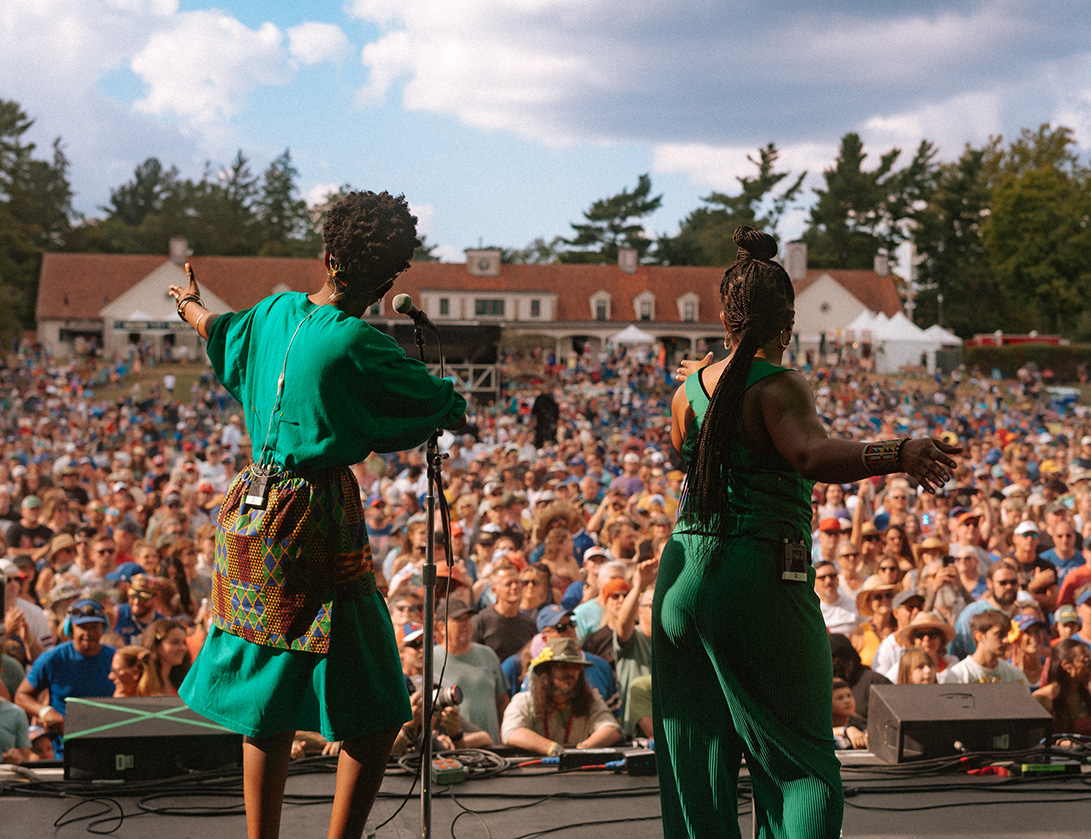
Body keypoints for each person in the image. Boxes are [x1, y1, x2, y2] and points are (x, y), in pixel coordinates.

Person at [170, 191, 466, 839]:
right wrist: (449, 399)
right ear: (388, 280)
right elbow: (436, 403)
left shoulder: (272, 314)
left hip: (248, 513)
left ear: (326, 256)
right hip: (315, 518)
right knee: (381, 702)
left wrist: (188, 301)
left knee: (267, 696)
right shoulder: (357, 342)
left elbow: (218, 331)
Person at [654, 226, 959, 839]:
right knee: (801, 765)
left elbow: (681, 453)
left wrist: (707, 373)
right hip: (757, 575)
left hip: (682, 574)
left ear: (722, 317)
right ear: (787, 323)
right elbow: (811, 455)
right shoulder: (780, 386)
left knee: (696, 761)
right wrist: (897, 451)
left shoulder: (688, 392)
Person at [15, 599, 115, 759]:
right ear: (70, 628)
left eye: (94, 627)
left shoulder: (116, 659)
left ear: (103, 628)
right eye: (82, 627)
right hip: (65, 749)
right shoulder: (52, 658)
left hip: (110, 743)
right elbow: (21, 695)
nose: (88, 633)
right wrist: (44, 711)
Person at [500, 637, 623, 755]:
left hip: (578, 772)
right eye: (563, 666)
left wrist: (583, 750)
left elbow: (611, 728)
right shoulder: (524, 701)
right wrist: (555, 750)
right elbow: (511, 732)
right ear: (546, 671)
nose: (571, 672)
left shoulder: (591, 699)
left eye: (577, 666)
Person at [1032, 638, 1091, 737]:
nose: (1089, 667)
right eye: (1085, 661)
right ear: (1067, 666)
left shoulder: (1087, 693)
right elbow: (1035, 741)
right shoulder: (1043, 698)